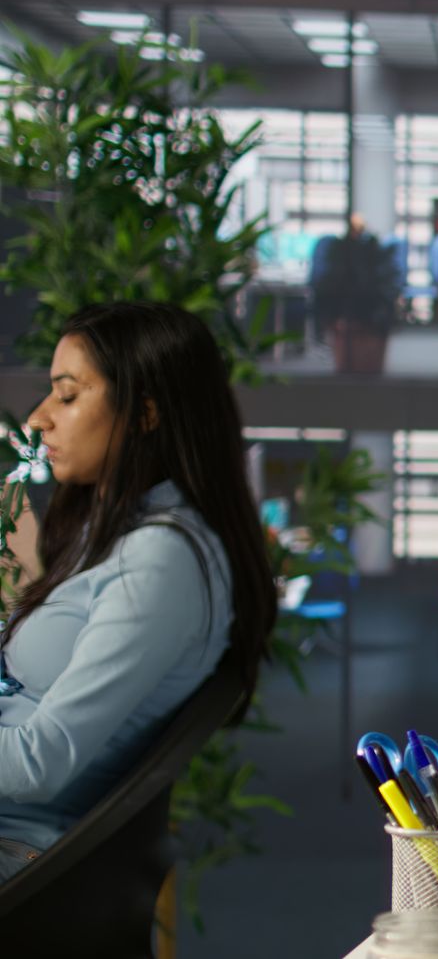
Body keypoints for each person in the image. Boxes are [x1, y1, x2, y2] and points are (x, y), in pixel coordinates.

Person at [1, 303, 276, 879]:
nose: (39, 419)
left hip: (18, 848)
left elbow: (37, 765)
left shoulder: (162, 561)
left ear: (146, 413)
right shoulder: (118, 534)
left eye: (68, 396)